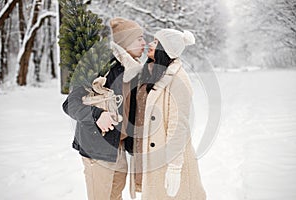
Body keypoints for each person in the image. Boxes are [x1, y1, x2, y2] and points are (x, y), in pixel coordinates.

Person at [62, 17, 146, 200]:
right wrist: (97, 115)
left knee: (115, 196)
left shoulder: (133, 70)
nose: (144, 42)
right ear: (125, 41)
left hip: (119, 146)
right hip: (97, 148)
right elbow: (70, 103)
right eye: (139, 38)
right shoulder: (99, 64)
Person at [130, 29, 206, 199]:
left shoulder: (179, 79)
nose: (150, 43)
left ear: (165, 49)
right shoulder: (152, 73)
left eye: (155, 42)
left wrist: (174, 167)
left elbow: (178, 125)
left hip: (169, 159)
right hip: (153, 157)